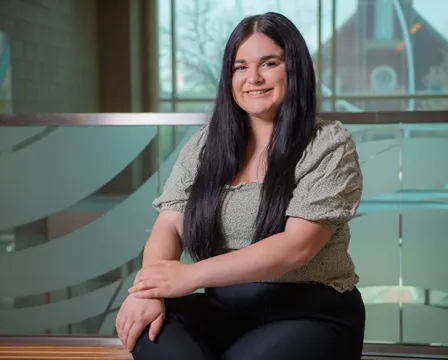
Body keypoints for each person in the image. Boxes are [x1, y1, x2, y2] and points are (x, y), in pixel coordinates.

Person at [116, 11, 365, 360]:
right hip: (225, 309)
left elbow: (297, 247)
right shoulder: (206, 145)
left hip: (309, 311)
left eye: (269, 63)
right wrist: (149, 291)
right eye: (240, 67)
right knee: (151, 330)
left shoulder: (327, 144)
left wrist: (188, 277)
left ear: (294, 69)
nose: (254, 78)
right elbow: (170, 223)